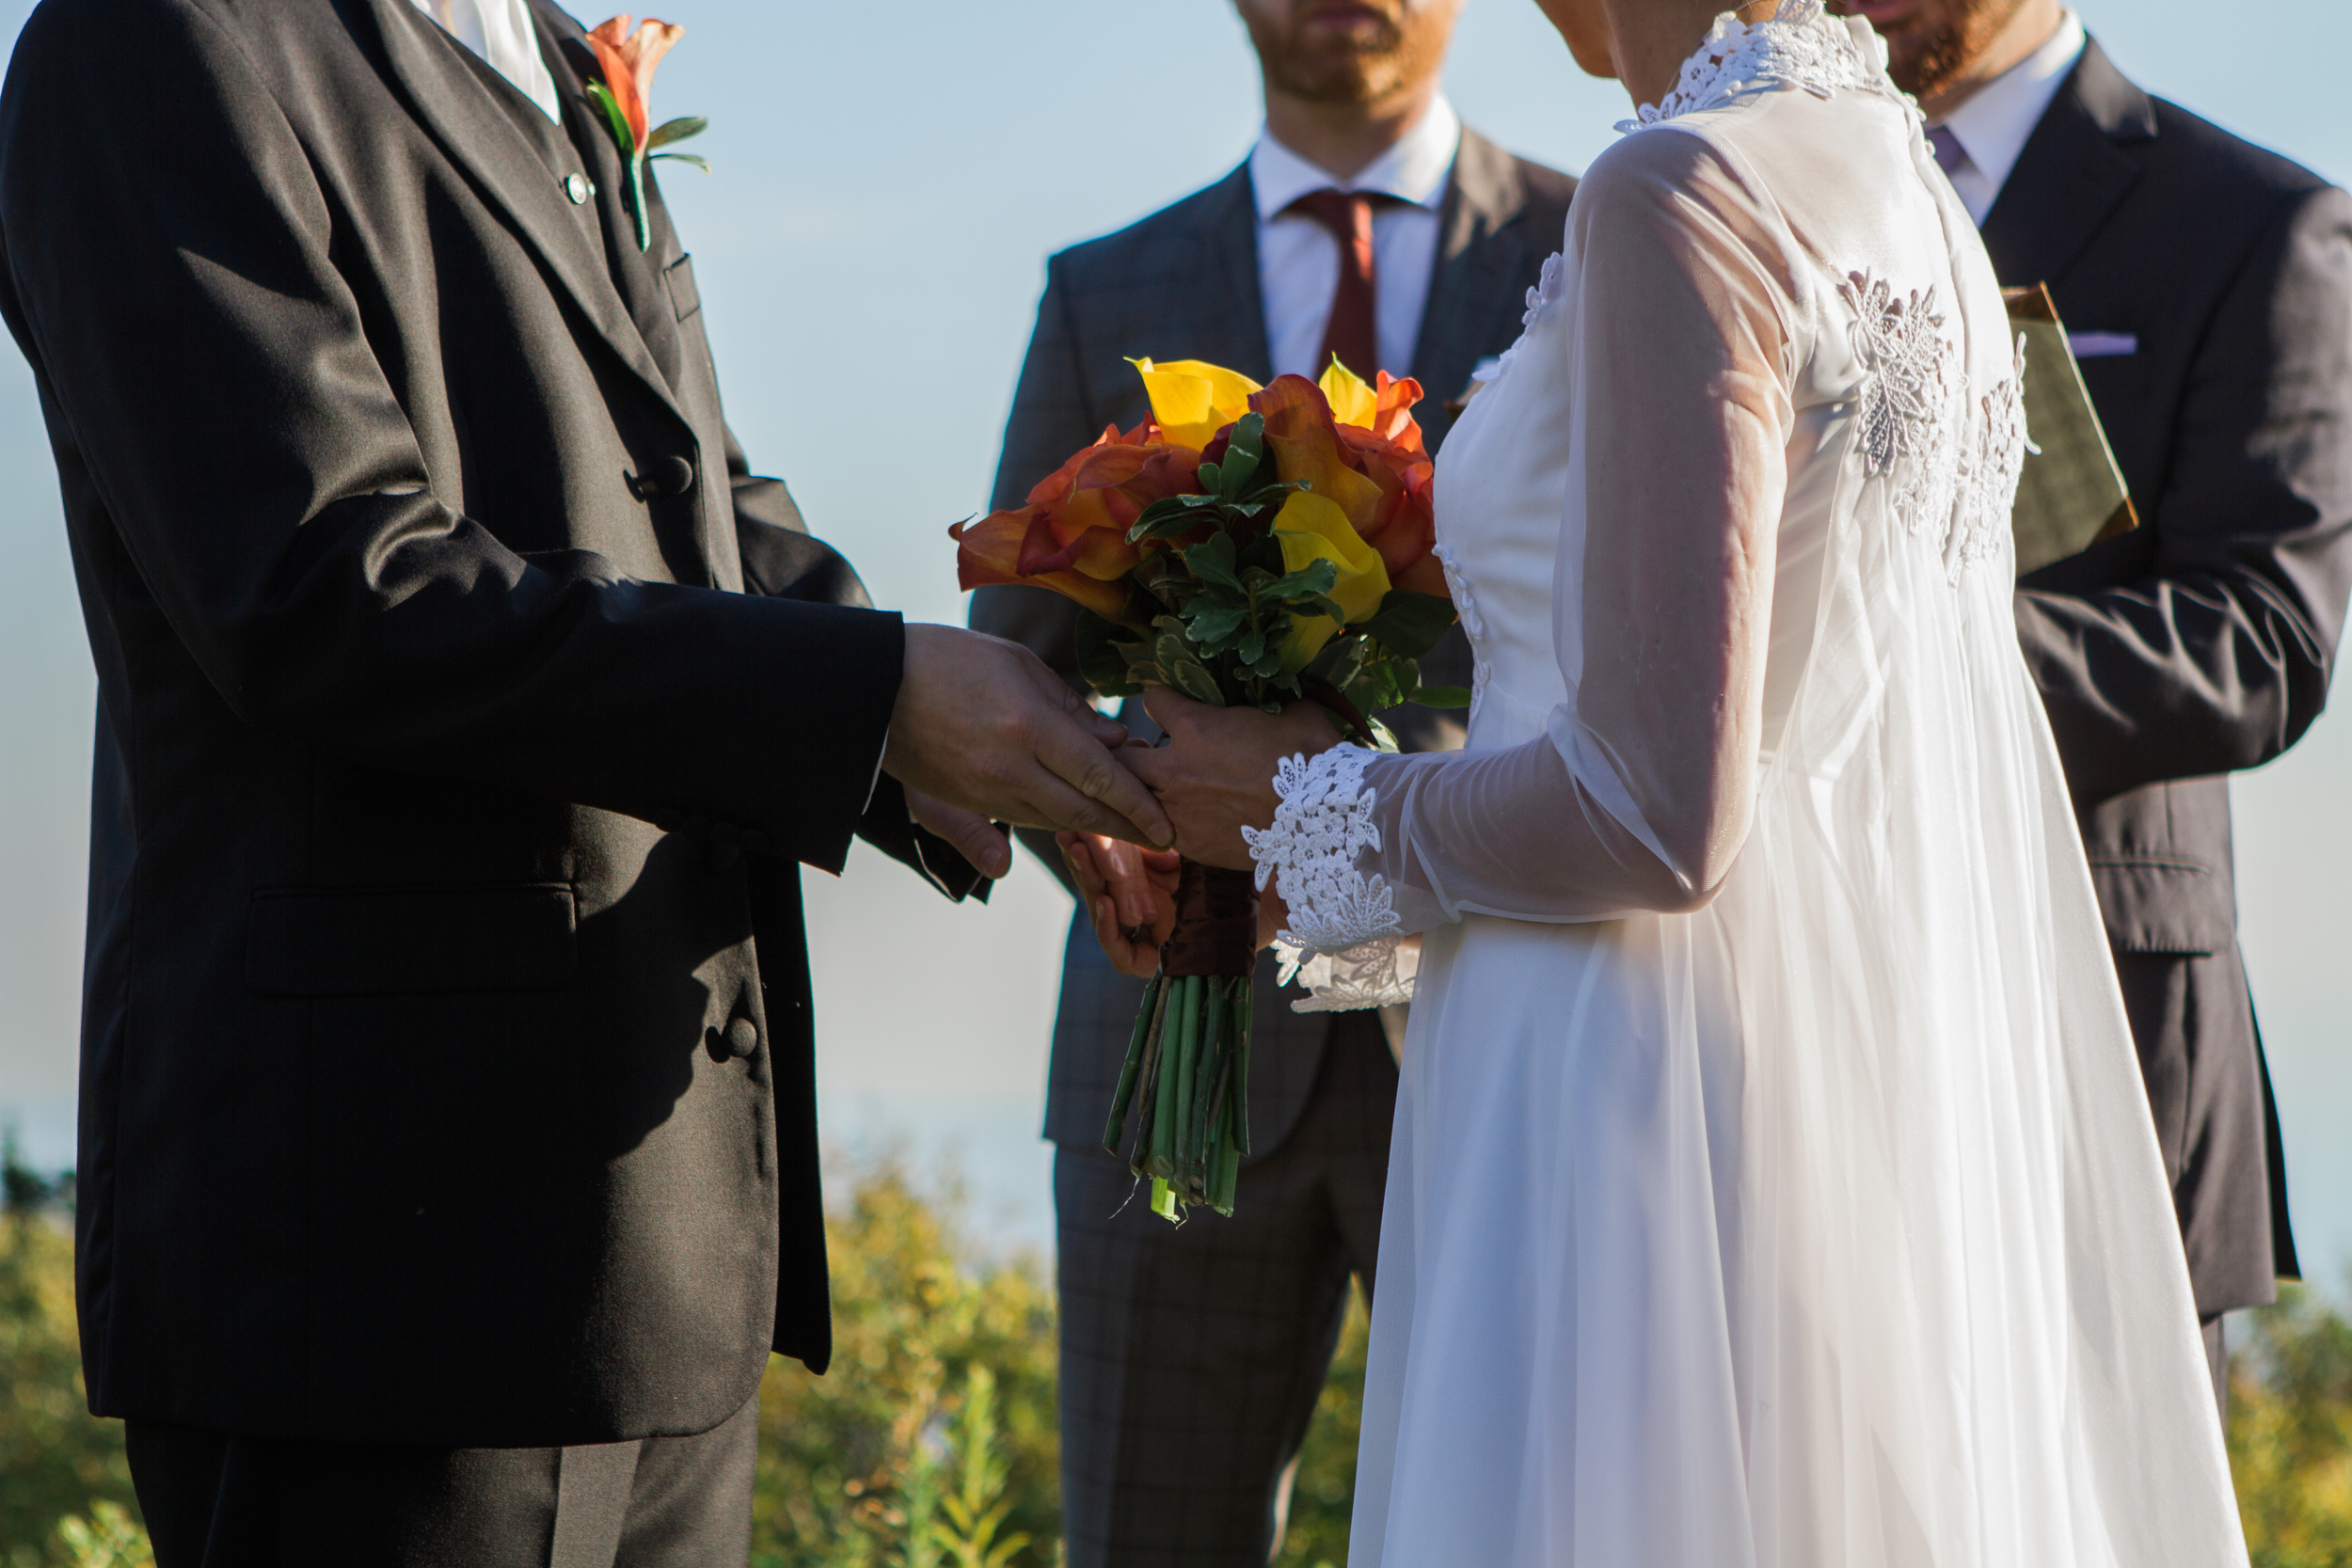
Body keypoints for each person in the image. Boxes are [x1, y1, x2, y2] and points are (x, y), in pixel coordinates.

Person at [0, 0, 1169, 1560]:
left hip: (651, 1241)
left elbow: (685, 494)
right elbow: (328, 591)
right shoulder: (154, 42)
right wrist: (870, 701)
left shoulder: (550, 55)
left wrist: (989, 756)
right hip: (377, 1259)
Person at [1115, 0, 2247, 1561]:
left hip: (1627, 1098)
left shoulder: (1680, 191)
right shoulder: (1904, 182)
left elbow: (1653, 814)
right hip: (1823, 1062)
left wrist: (1303, 804)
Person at [971, 0, 1574, 1560]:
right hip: (1175, 1031)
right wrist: (1129, 842)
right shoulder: (1105, 287)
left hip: (1508, 1025)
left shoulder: (1601, 254)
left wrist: (1388, 844)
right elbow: (1019, 662)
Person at [1831, 0, 2352, 1418]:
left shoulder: (2254, 220)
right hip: (1792, 1014)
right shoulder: (1762, 187)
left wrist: (1885, 651)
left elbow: (2265, 640)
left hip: (2096, 1024)